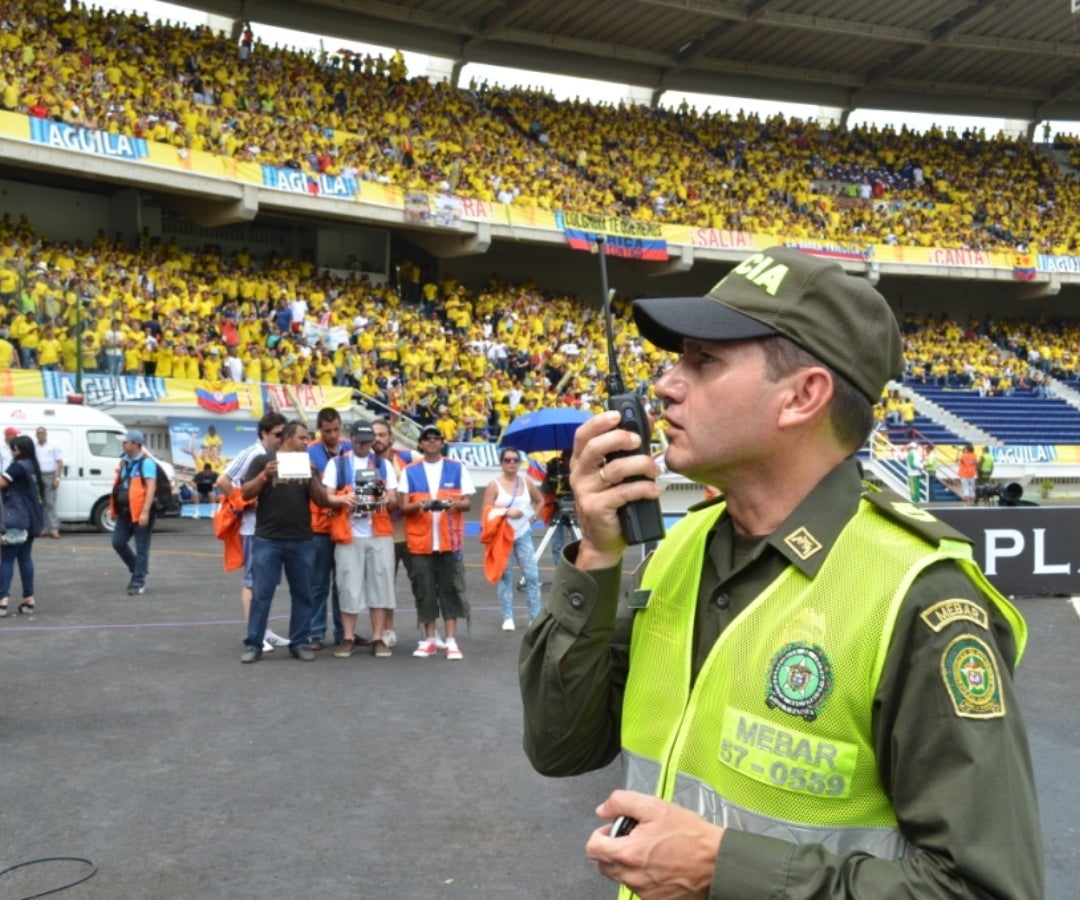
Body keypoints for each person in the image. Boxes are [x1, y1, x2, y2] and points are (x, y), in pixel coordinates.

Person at [519, 247, 1042, 899]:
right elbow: (559, 748)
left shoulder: (921, 599)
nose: (666, 384)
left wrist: (723, 871)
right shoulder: (684, 549)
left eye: (703, 360)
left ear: (802, 396)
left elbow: (986, 889)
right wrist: (595, 558)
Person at [239, 419, 350, 663]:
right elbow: (245, 493)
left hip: (301, 539)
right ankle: (254, 644)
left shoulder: (307, 464)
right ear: (288, 437)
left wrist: (312, 476)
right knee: (262, 594)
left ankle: (299, 642)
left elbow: (322, 500)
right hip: (268, 538)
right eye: (302, 438)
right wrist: (263, 476)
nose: (306, 442)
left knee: (303, 594)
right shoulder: (263, 461)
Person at [322, 421, 399, 658]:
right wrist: (346, 498)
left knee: (380, 585)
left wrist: (386, 498)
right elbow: (327, 498)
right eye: (360, 441)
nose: (365, 446)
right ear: (350, 438)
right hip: (349, 534)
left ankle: (377, 638)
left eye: (368, 442)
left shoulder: (384, 464)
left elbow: (396, 500)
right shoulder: (338, 464)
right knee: (348, 587)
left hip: (378, 534)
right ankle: (348, 636)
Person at [215, 411, 290, 653]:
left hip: (272, 527)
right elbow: (223, 480)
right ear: (264, 434)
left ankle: (264, 630)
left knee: (266, 583)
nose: (282, 438)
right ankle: (253, 633)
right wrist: (244, 502)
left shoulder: (277, 455)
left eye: (284, 434)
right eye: (278, 434)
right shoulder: (252, 453)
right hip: (251, 528)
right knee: (252, 580)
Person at [400, 425, 475, 660]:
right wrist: (421, 505)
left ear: (442, 443)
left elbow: (467, 503)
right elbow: (403, 506)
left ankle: (451, 640)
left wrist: (450, 503)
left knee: (450, 588)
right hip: (421, 541)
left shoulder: (456, 468)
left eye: (436, 438)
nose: (432, 442)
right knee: (424, 589)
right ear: (421, 444)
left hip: (449, 540)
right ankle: (431, 638)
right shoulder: (410, 471)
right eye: (427, 439)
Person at [306, 406, 355, 651]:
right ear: (319, 430)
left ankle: (343, 633)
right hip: (319, 528)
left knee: (343, 583)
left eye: (336, 429)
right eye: (327, 431)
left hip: (345, 525)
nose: (333, 435)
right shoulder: (309, 452)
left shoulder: (350, 447)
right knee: (318, 583)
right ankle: (315, 633)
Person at [482, 444, 543, 630]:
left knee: (532, 576)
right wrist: (508, 511)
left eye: (515, 460)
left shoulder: (526, 482)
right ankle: (508, 617)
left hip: (523, 534)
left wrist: (533, 516)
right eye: (507, 460)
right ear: (501, 463)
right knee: (505, 576)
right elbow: (486, 512)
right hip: (502, 536)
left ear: (519, 463)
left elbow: (540, 501)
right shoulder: (495, 485)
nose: (511, 463)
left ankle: (535, 616)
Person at [371, 417, 414, 650]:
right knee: (384, 585)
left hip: (408, 533)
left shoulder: (406, 459)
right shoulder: (367, 464)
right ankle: (387, 630)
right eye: (374, 435)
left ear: (391, 438)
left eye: (382, 435)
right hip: (380, 533)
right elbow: (372, 504)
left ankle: (429, 629)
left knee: (420, 583)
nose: (377, 439)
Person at [0, 434, 45, 616]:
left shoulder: (18, 466)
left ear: (19, 450)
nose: (11, 451)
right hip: (31, 518)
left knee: (8, 559)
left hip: (17, 518)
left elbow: (2, 482)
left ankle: (2, 599)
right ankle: (29, 598)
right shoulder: (33, 466)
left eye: (13, 448)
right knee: (25, 558)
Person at [110, 430, 157, 596]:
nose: (123, 444)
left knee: (141, 547)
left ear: (135, 444)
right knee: (118, 542)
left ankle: (138, 581)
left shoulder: (146, 463)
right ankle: (138, 568)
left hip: (140, 512)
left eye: (126, 442)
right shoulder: (124, 462)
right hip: (125, 512)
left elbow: (151, 488)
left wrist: (145, 511)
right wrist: (113, 508)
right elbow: (120, 487)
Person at [34, 426, 62, 538]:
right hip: (38, 477)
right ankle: (44, 528)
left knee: (50, 503)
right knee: (40, 504)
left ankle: (54, 529)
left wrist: (57, 478)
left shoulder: (53, 446)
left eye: (42, 433)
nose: (40, 435)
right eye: (38, 434)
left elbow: (60, 463)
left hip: (50, 476)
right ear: (36, 435)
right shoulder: (34, 447)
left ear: (46, 434)